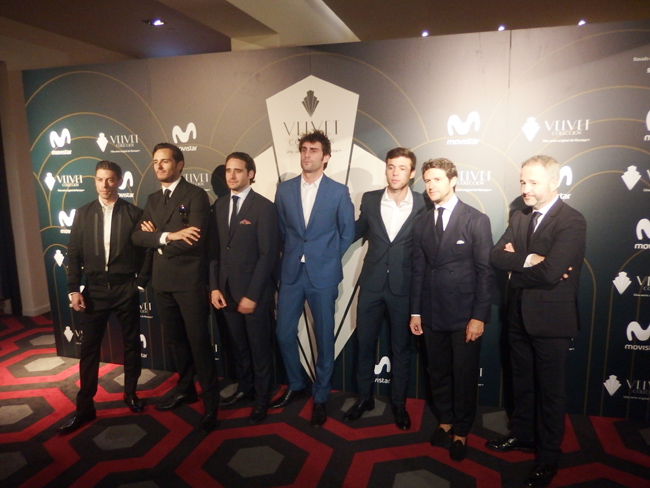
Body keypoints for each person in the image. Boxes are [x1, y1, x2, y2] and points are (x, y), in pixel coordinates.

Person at [486, 155, 586, 487]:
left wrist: (514, 268)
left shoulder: (572, 220)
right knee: (522, 383)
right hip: (517, 316)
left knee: (550, 392)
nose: (525, 189)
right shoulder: (519, 216)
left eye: (533, 182)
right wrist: (528, 259)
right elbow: (495, 255)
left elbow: (551, 271)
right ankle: (523, 435)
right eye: (522, 182)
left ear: (554, 183)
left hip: (552, 322)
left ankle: (548, 456)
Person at [409, 158, 495, 461]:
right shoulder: (422, 221)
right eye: (427, 181)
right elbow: (418, 270)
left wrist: (479, 316)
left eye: (436, 179)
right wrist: (415, 312)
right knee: (437, 372)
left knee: (464, 375)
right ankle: (445, 420)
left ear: (453, 180)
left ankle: (461, 429)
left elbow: (485, 272)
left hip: (464, 314)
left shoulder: (476, 219)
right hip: (431, 312)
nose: (430, 186)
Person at [132, 142, 219, 434]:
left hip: (190, 282)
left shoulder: (196, 195)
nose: (158, 166)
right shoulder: (152, 198)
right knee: (175, 341)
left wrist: (157, 239)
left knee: (199, 342)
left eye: (165, 161)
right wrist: (168, 236)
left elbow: (194, 239)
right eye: (155, 161)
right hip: (162, 282)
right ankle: (186, 389)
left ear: (179, 165)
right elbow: (137, 237)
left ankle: (212, 402)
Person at [271, 130, 355, 427]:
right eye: (304, 149)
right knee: (283, 333)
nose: (307, 154)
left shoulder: (338, 191)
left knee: (324, 338)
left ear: (326, 157)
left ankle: (320, 396)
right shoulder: (284, 190)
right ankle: (296, 384)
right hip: (292, 273)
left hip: (323, 275)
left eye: (314, 150)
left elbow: (347, 232)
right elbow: (281, 231)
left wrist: (328, 258)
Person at [60, 160, 151, 434]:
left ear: (119, 181)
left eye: (110, 179)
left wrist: (140, 284)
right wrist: (74, 289)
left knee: (132, 345)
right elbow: (73, 253)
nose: (105, 185)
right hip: (95, 290)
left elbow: (147, 250)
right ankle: (84, 407)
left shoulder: (134, 213)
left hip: (125, 289)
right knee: (89, 350)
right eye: (100, 179)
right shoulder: (83, 213)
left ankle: (130, 393)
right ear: (95, 181)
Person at [343, 147, 425, 430]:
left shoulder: (423, 203)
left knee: (401, 348)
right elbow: (355, 231)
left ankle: (399, 404)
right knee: (364, 343)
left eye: (402, 168)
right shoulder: (370, 199)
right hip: (372, 284)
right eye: (391, 167)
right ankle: (364, 398)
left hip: (404, 287)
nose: (395, 173)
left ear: (412, 174)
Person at [209, 152, 279, 425]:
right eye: (228, 170)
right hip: (226, 292)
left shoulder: (264, 207)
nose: (231, 175)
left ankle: (262, 398)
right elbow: (216, 251)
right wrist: (215, 287)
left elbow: (268, 255)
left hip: (254, 295)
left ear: (250, 174)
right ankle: (245, 388)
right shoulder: (219, 205)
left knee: (260, 350)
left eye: (238, 170)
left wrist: (252, 295)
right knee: (240, 347)